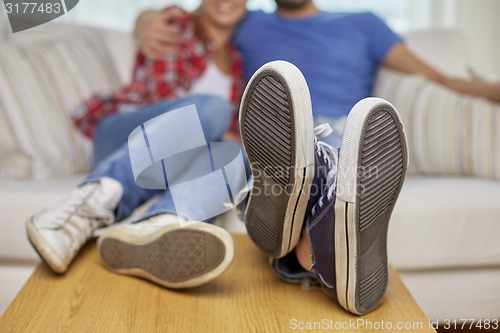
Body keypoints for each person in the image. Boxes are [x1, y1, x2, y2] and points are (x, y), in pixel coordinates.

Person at [134, 0, 500, 315]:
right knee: (238, 161)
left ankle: (306, 243)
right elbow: (195, 20)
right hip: (268, 135)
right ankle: (309, 242)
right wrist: (146, 20)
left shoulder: (364, 24)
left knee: (339, 151)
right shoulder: (250, 22)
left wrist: (489, 89)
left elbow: (438, 78)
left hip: (340, 129)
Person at [26, 0, 248, 290]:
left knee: (236, 154)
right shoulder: (176, 24)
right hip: (126, 133)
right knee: (212, 110)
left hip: (174, 163)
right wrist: (145, 19)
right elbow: (162, 89)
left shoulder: (237, 62)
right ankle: (84, 209)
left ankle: (164, 224)